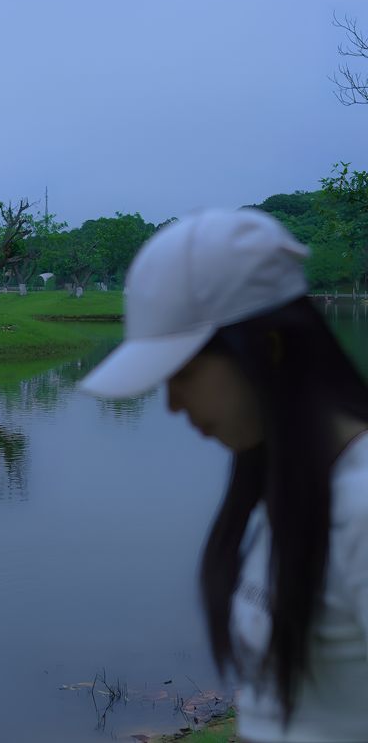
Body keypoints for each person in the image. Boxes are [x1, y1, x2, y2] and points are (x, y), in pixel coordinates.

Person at [80, 208, 368, 743]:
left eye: (184, 373)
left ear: (270, 350)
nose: (171, 404)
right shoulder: (286, 490)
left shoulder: (360, 505)